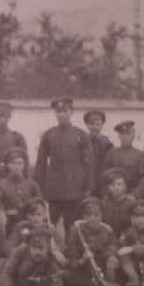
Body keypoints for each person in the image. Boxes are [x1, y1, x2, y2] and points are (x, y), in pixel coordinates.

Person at [34, 97, 95, 231]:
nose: (61, 115)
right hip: (54, 190)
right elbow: (41, 164)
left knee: (72, 227)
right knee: (49, 226)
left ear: (71, 112)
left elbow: (88, 165)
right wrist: (38, 188)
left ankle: (71, 251)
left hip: (74, 190)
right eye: (58, 111)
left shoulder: (81, 135)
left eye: (65, 111)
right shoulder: (48, 135)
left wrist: (88, 188)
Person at [63, 197, 119, 286]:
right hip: (83, 267)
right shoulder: (76, 230)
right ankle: (97, 284)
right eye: (89, 215)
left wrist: (109, 257)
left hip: (101, 264)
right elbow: (71, 254)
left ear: (101, 215)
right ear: (83, 216)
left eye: (96, 215)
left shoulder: (107, 230)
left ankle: (106, 282)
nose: (93, 218)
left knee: (113, 262)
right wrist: (82, 260)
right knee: (67, 276)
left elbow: (113, 247)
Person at [0, 228, 65, 286]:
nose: (37, 252)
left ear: (48, 249)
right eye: (34, 248)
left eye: (41, 248)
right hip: (0, 271)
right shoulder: (20, 252)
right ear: (29, 247)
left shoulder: (51, 260)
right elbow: (7, 273)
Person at [0, 147, 42, 236]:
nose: (17, 166)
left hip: (29, 221)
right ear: (7, 166)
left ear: (24, 165)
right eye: (13, 163)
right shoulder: (2, 184)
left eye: (20, 163)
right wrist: (3, 212)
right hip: (9, 223)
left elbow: (39, 203)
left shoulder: (32, 184)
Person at [100, 121, 144, 200]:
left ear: (133, 136)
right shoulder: (111, 153)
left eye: (128, 135)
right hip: (112, 195)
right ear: (119, 136)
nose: (125, 137)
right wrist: (106, 194)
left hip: (131, 196)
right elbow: (104, 175)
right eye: (123, 135)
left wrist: (134, 194)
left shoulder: (141, 155)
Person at [0, 101, 28, 182]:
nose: (2, 120)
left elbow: (24, 162)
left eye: (5, 117)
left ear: (9, 117)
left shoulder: (17, 138)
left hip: (12, 179)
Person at [83, 110, 113, 195]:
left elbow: (110, 166)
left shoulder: (107, 144)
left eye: (98, 124)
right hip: (86, 186)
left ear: (102, 125)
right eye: (92, 124)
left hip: (102, 186)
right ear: (87, 125)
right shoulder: (82, 143)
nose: (95, 127)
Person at [99, 168, 136, 235]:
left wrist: (126, 234)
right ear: (108, 187)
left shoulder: (131, 202)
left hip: (126, 236)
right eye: (112, 185)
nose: (116, 188)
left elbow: (135, 223)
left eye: (119, 184)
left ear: (125, 186)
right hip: (108, 234)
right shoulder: (104, 202)